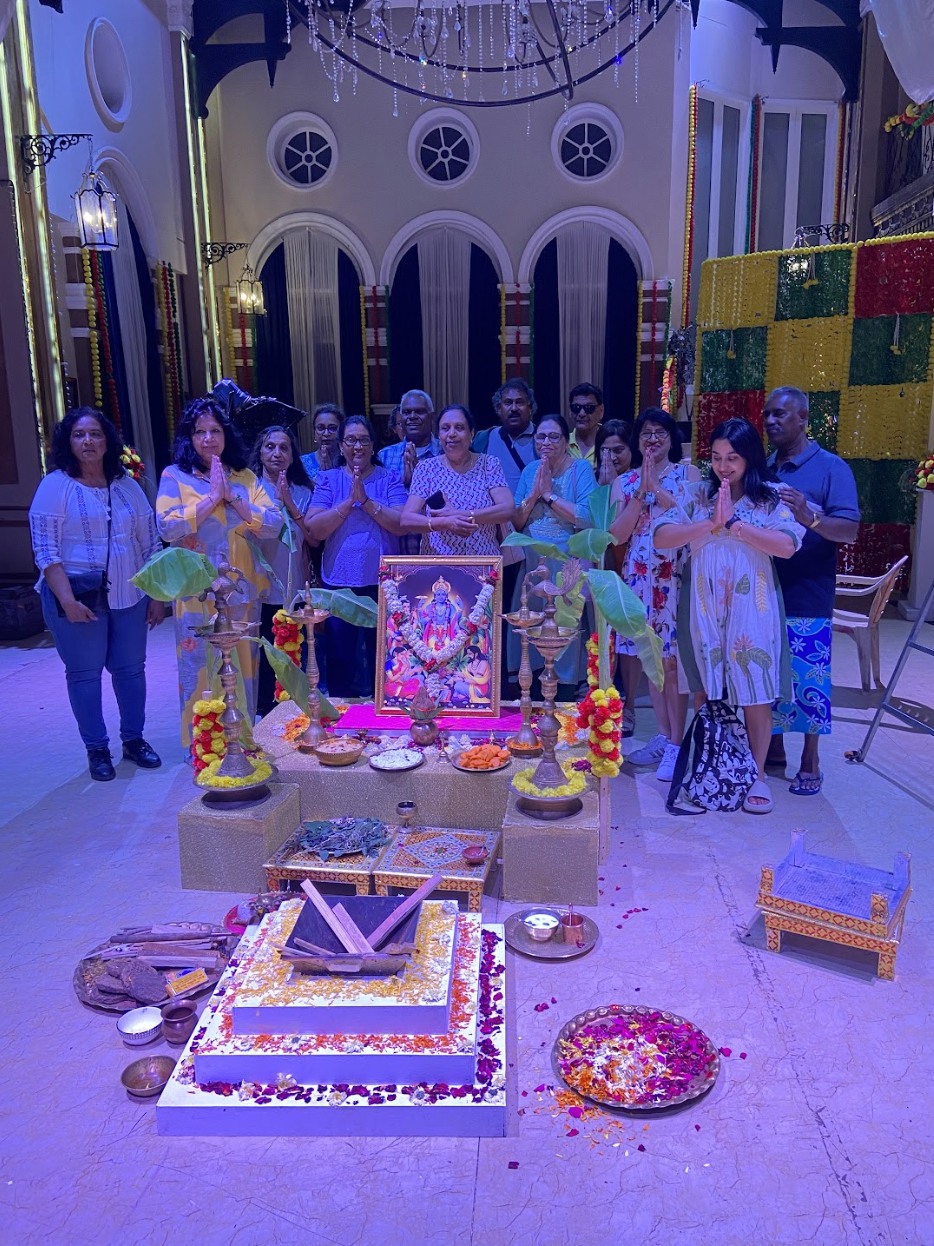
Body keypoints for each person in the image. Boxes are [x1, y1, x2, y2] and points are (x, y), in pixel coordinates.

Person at [654, 417, 805, 814]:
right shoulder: (695, 494)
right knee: (705, 688)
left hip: (753, 605)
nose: (723, 466)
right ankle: (710, 766)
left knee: (754, 690)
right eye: (717, 457)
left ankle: (757, 775)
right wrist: (710, 523)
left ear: (749, 458)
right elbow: (661, 537)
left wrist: (735, 525)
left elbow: (787, 546)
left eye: (733, 458)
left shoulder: (770, 497)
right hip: (703, 602)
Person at [29, 407, 165, 781]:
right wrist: (67, 601)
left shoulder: (127, 486)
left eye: (95, 434)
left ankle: (134, 740)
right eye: (79, 435)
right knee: (85, 674)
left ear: (108, 442)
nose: (88, 441)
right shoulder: (54, 486)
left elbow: (151, 543)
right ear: (67, 442)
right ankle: (97, 749)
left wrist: (157, 596)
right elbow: (46, 551)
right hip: (76, 598)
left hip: (130, 594)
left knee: (131, 670)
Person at [156, 397, 280, 750]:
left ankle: (243, 744)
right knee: (199, 668)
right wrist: (211, 499)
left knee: (244, 669)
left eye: (215, 430)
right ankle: (204, 749)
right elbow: (167, 527)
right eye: (200, 432)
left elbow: (273, 524)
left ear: (226, 435)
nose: (208, 438)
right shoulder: (174, 476)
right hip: (197, 592)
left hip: (242, 589)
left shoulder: (246, 477)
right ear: (189, 437)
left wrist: (233, 497)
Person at [764, 387, 860, 795]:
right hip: (764, 590)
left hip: (809, 590)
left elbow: (850, 530)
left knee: (808, 677)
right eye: (767, 414)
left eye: (780, 414)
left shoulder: (831, 468)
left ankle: (810, 758)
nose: (771, 421)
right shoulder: (762, 468)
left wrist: (810, 517)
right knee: (769, 670)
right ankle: (773, 746)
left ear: (803, 418)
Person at [610, 410, 700, 780]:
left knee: (672, 663)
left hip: (673, 576)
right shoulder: (625, 481)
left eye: (660, 432)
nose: (652, 439)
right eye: (646, 433)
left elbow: (690, 518)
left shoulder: (689, 474)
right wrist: (640, 492)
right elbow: (617, 535)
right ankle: (664, 737)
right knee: (651, 660)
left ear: (672, 437)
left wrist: (656, 489)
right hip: (639, 576)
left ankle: (677, 743)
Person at [305, 415, 407, 697]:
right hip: (339, 583)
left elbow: (402, 524)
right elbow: (314, 528)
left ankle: (383, 715)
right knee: (340, 660)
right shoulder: (328, 479)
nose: (357, 446)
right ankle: (342, 718)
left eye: (363, 440)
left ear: (373, 445)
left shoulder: (389, 478)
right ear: (341, 445)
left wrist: (367, 501)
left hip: (384, 582)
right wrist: (350, 501)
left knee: (385, 659)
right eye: (351, 440)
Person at [511, 414, 596, 697]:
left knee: (563, 625)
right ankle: (533, 689)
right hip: (532, 562)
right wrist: (534, 494)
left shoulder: (580, 469)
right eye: (541, 437)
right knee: (532, 624)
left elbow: (586, 516)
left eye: (553, 436)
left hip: (566, 562)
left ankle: (565, 691)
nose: (546, 442)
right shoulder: (530, 471)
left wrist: (548, 496)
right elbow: (517, 521)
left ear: (565, 441)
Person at [472, 378, 539, 695]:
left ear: (530, 407)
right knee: (496, 609)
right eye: (507, 403)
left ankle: (533, 679)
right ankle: (496, 680)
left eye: (519, 402)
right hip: (497, 536)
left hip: (536, 534)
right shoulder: (485, 439)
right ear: (498, 409)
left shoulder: (543, 437)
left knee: (532, 609)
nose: (514, 408)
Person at [249, 424, 317, 717]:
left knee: (293, 653)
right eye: (270, 446)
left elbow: (311, 540)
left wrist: (288, 501)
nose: (277, 453)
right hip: (258, 587)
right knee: (263, 656)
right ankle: (264, 714)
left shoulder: (304, 491)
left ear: (292, 455)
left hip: (294, 589)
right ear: (260, 452)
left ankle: (292, 712)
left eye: (284, 448)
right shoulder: (248, 488)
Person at [401, 404, 515, 557]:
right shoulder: (426, 468)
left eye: (459, 428)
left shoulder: (489, 464)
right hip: (438, 564)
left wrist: (463, 515)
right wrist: (445, 523)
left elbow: (508, 509)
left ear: (471, 433)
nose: (452, 434)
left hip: (484, 563)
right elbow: (407, 519)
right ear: (439, 435)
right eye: (445, 428)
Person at [300, 403, 343, 482]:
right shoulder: (302, 463)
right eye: (321, 428)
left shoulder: (349, 461)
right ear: (314, 432)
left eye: (332, 428)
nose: (326, 434)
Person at [567, 382, 605, 465]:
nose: (582, 414)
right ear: (570, 411)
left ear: (601, 411)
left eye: (589, 408)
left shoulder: (609, 443)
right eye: (576, 407)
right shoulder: (562, 443)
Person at [594, 419, 634, 486]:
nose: (612, 457)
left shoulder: (641, 480)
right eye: (605, 451)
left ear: (631, 449)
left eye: (618, 450)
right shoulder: (590, 479)